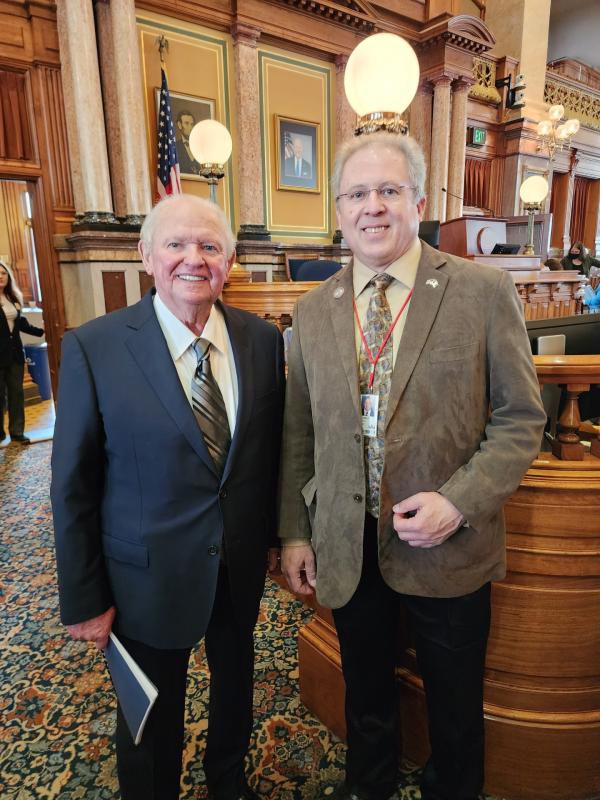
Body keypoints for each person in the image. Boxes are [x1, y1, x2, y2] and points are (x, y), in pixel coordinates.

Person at [278, 132, 546, 800]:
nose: (374, 206)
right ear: (339, 210)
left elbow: (521, 419)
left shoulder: (482, 292)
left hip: (447, 545)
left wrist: (458, 502)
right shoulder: (311, 311)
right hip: (347, 543)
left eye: (389, 190)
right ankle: (368, 785)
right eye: (358, 194)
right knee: (365, 691)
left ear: (419, 201)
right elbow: (298, 432)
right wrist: (295, 532)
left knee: (454, 712)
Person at [51, 194, 285, 800]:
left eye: (209, 246)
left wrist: (281, 541)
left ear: (229, 261)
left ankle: (228, 782)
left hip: (236, 568)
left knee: (236, 690)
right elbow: (72, 485)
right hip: (142, 582)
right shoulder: (94, 347)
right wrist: (84, 598)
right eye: (176, 244)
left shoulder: (262, 342)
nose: (193, 258)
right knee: (149, 722)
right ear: (146, 256)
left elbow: (270, 456)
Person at [0, 260, 44, 444]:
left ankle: (17, 432)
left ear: (8, 276)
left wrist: (42, 330)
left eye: (3, 273)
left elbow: (21, 324)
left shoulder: (13, 299)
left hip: (15, 354)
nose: (0, 277)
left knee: (17, 394)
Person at [176, 109, 200, 175]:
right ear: (179, 125)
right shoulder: (175, 148)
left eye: (192, 124)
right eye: (186, 123)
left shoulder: (201, 147)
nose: (190, 127)